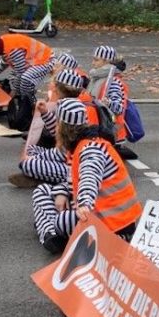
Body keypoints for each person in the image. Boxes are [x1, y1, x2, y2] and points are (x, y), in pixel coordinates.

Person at [31, 98, 141, 253]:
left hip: (114, 225)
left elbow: (90, 176)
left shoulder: (90, 148)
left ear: (63, 127)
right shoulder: (80, 142)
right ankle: (50, 230)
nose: (55, 128)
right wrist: (62, 193)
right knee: (42, 190)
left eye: (57, 124)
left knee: (60, 221)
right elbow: (75, 179)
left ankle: (51, 232)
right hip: (108, 215)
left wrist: (84, 204)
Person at [10, 68, 95, 188]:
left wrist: (34, 159)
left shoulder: (72, 108)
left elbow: (65, 148)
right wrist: (45, 113)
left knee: (27, 163)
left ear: (58, 87)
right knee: (31, 150)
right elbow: (60, 134)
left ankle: (45, 179)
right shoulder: (71, 104)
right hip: (68, 154)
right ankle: (41, 176)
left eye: (54, 83)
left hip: (77, 166)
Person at [88, 45, 129, 144]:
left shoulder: (113, 81)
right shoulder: (97, 77)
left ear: (106, 61)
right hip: (102, 131)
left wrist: (108, 103)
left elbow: (118, 108)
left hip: (110, 133)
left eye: (96, 60)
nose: (93, 63)